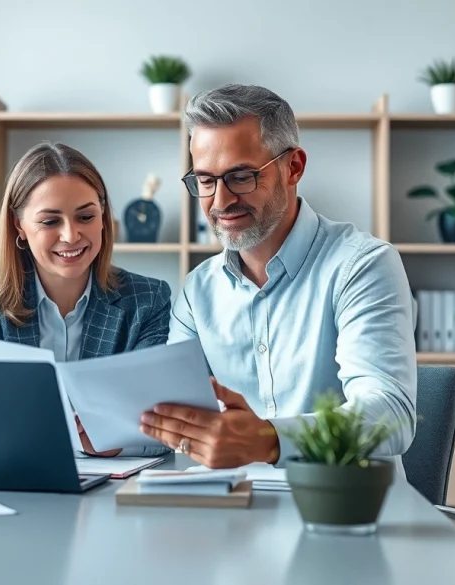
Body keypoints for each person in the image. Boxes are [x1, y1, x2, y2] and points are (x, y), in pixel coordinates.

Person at [139, 84, 417, 478]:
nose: (220, 201)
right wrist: (119, 433)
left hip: (342, 503)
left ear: (294, 167)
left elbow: (390, 414)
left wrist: (269, 439)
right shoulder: (197, 291)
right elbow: (176, 410)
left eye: (241, 176)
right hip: (232, 502)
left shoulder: (363, 265)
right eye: (205, 181)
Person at [0, 141, 173, 457]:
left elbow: (165, 431)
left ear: (103, 217)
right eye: (50, 221)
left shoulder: (147, 300)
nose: (71, 235)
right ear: (19, 226)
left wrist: (117, 442)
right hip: (10, 474)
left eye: (86, 216)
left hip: (111, 481)